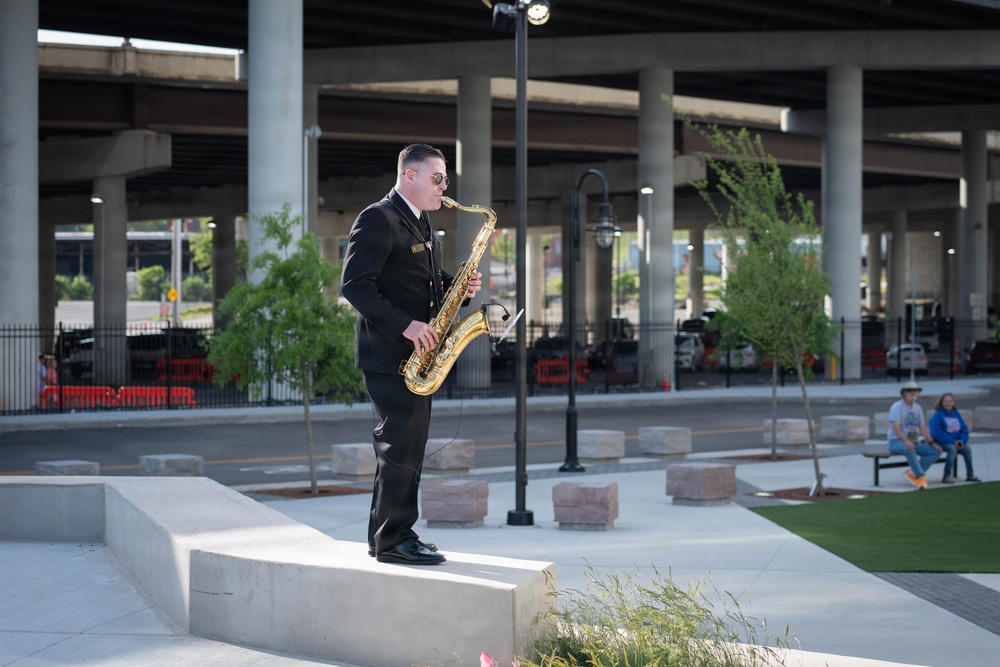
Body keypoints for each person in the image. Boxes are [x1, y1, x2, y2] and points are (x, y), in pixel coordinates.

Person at [340, 143, 481, 566]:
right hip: (391, 354)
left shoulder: (420, 221)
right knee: (399, 448)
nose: (444, 187)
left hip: (416, 355)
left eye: (446, 179)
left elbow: (417, 278)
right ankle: (394, 540)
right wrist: (406, 325)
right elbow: (355, 285)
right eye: (437, 178)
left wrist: (457, 285)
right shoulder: (378, 217)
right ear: (410, 175)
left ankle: (387, 536)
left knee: (407, 447)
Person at [887, 380, 942, 489]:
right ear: (904, 393)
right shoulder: (896, 407)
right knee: (909, 448)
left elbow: (922, 428)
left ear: (918, 393)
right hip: (896, 441)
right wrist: (907, 441)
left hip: (912, 439)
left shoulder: (918, 408)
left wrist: (932, 443)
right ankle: (920, 476)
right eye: (909, 390)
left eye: (915, 390)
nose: (912, 392)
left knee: (935, 451)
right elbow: (896, 429)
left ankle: (912, 473)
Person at [927, 392, 981, 483]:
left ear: (953, 403)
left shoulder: (956, 414)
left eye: (950, 401)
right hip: (941, 441)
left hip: (956, 441)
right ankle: (946, 476)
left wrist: (961, 441)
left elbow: (964, 429)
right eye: (945, 401)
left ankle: (970, 475)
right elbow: (936, 433)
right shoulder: (938, 415)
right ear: (942, 402)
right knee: (952, 449)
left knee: (967, 449)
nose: (948, 403)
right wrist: (953, 441)